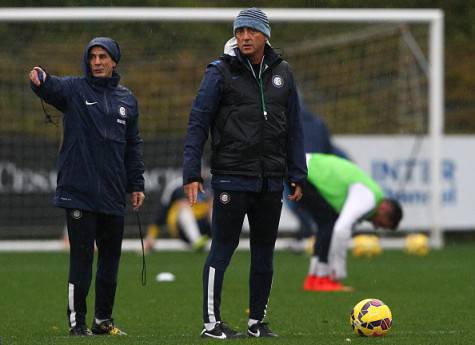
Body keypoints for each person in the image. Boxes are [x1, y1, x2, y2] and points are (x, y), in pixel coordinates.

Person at [183, 8, 307, 339]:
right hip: (231, 177)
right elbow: (198, 123)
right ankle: (211, 324)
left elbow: (294, 127)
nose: (245, 37)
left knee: (264, 251)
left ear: (266, 34)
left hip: (270, 179)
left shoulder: (284, 73)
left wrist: (297, 172)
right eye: (239, 32)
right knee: (222, 247)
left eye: (251, 31)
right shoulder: (219, 72)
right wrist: (191, 172)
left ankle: (257, 322)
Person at [29, 37, 145, 336]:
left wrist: (136, 184)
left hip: (112, 192)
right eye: (92, 56)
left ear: (114, 61)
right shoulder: (74, 90)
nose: (97, 62)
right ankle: (77, 324)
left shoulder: (127, 100)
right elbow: (49, 86)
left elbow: (133, 146)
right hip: (78, 192)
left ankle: (103, 321)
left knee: (110, 261)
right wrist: (39, 78)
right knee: (81, 258)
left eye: (103, 56)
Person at [300, 153, 403, 291]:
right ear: (384, 208)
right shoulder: (370, 197)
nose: (376, 226)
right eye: (382, 223)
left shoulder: (370, 193)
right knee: (330, 223)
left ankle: (313, 278)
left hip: (302, 168)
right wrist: (338, 273)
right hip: (306, 171)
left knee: (326, 222)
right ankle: (323, 279)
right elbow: (341, 229)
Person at [144, 176, 211, 252]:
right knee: (184, 208)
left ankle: (222, 240)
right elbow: (161, 212)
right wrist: (151, 236)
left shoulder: (210, 184)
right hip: (181, 229)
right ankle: (197, 241)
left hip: (205, 226)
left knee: (216, 206)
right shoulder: (176, 186)